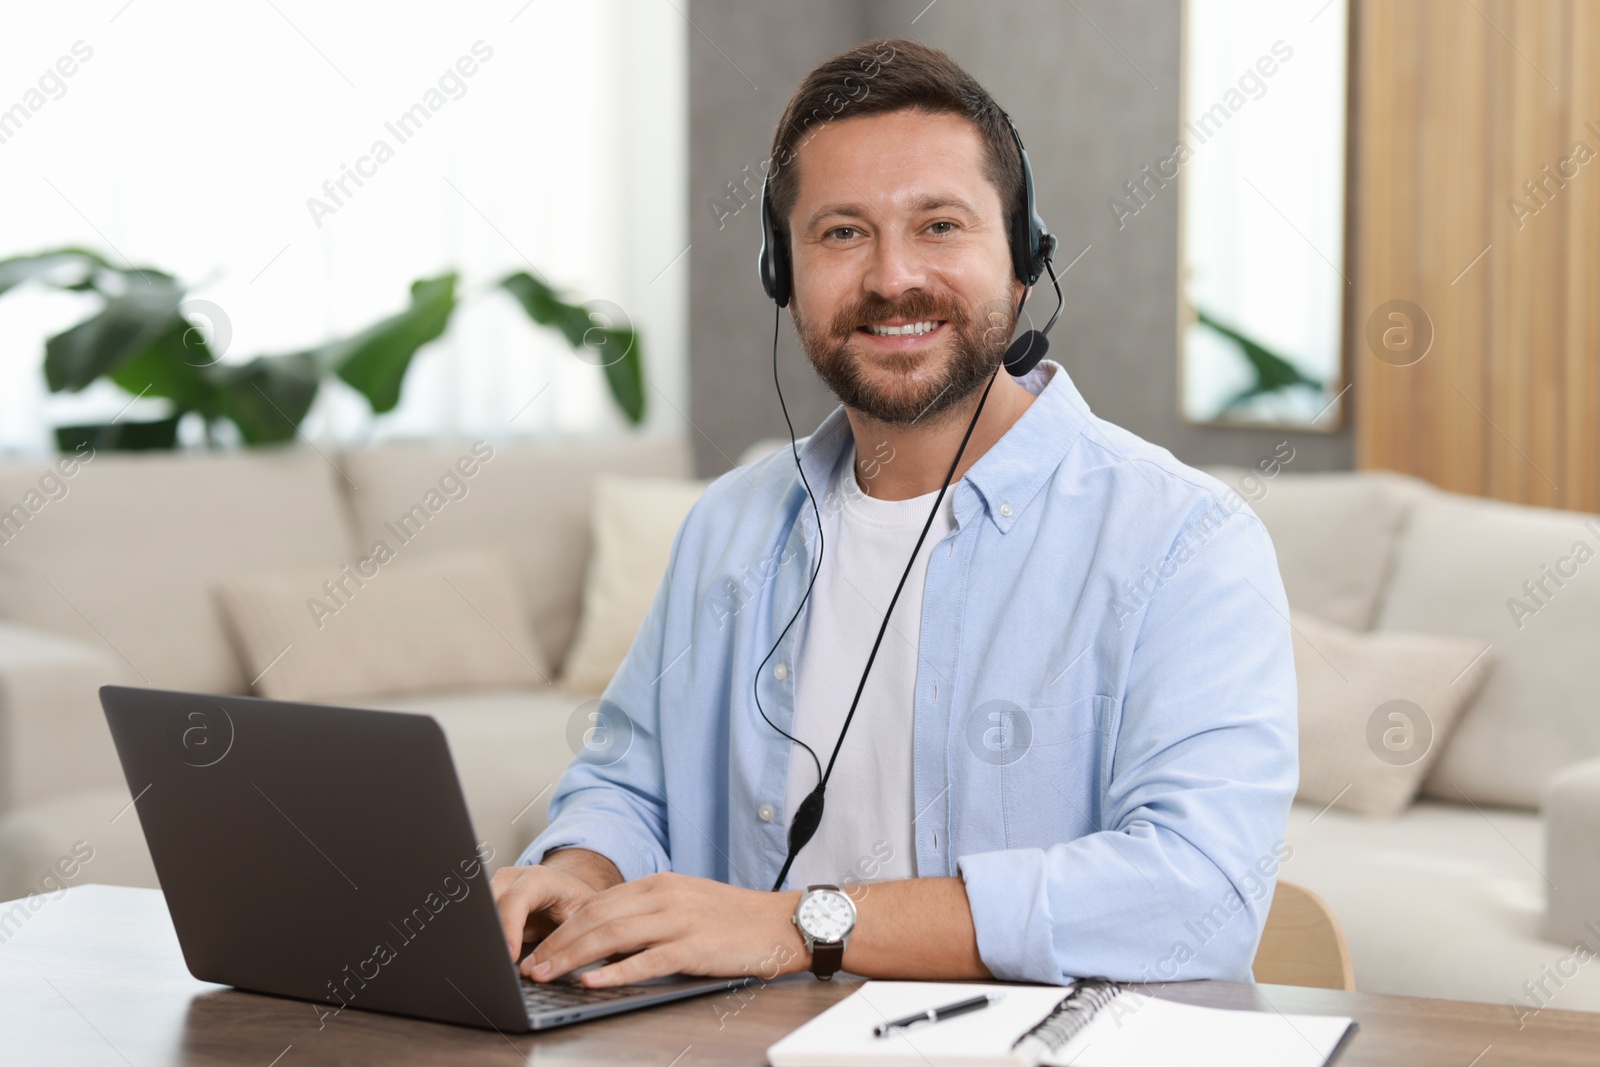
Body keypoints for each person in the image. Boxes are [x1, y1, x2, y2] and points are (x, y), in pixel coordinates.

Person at [491, 37, 1297, 991]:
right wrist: (579, 874)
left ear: (1024, 254)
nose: (891, 278)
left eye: (941, 225)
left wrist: (800, 924)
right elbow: (629, 784)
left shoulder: (1182, 539)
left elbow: (1196, 895)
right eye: (841, 233)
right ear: (780, 275)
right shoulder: (731, 526)